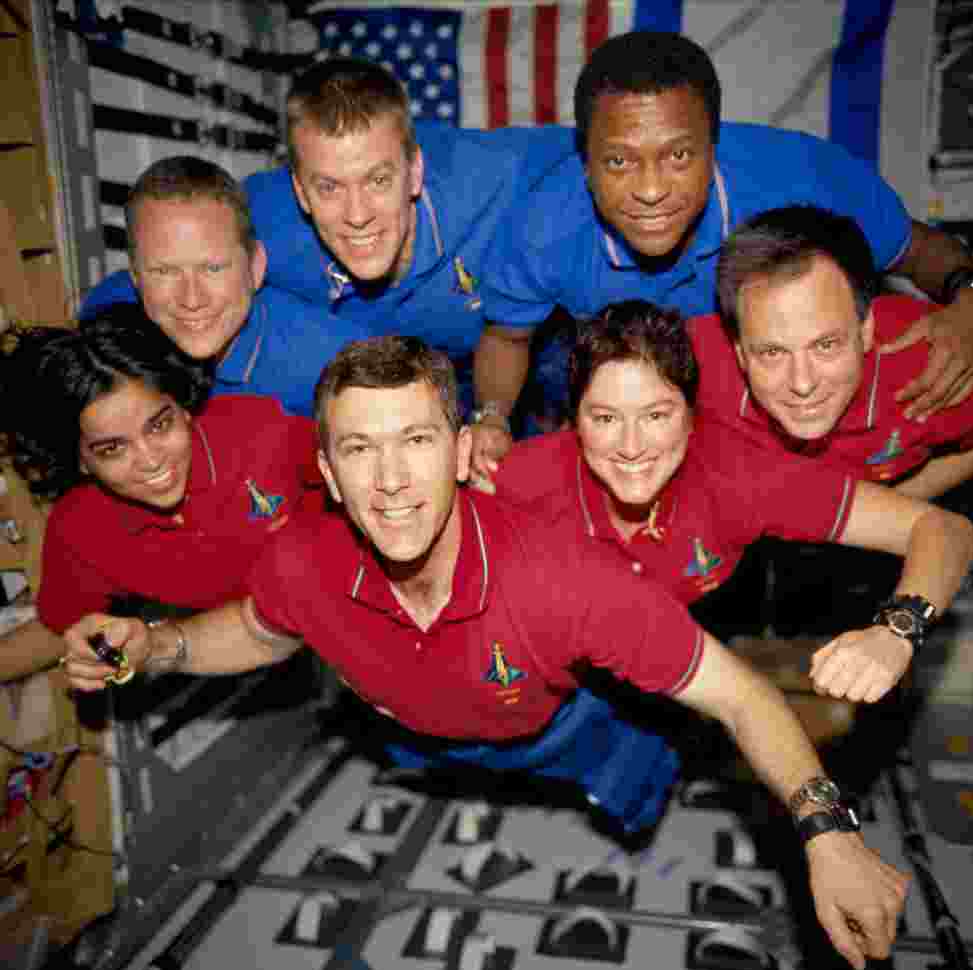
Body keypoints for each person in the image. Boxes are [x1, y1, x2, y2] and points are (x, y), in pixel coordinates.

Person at [61, 335, 908, 970]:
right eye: (360, 449)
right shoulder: (298, 561)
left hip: (574, 724)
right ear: (326, 467)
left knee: (634, 799)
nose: (390, 479)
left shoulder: (570, 580)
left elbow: (740, 696)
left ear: (465, 454)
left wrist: (827, 835)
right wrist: (163, 645)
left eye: (418, 441)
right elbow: (254, 628)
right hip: (417, 733)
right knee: (431, 753)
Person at [469, 30, 973, 483]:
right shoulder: (542, 228)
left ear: (714, 144)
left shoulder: (807, 179)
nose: (651, 190)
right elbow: (507, 336)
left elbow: (920, 251)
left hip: (797, 420)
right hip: (661, 423)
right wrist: (492, 416)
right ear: (585, 163)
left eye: (679, 155)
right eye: (619, 162)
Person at [483, 301, 973, 702]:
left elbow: (942, 530)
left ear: (692, 416)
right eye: (606, 418)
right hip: (557, 681)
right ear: (575, 422)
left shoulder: (738, 475)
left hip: (683, 662)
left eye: (656, 415)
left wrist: (897, 631)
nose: (631, 447)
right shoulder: (523, 480)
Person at [243, 56, 575, 418]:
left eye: (379, 180)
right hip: (386, 387)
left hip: (523, 361)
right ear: (300, 192)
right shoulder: (257, 218)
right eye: (329, 187)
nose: (358, 215)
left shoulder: (495, 174)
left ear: (415, 172)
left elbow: (611, 146)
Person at [0, 306, 317, 685]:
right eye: (112, 449)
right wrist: (106, 652)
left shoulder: (259, 433)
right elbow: (63, 628)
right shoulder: (81, 531)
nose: (151, 460)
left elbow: (360, 467)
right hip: (260, 639)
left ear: (183, 407)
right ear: (79, 461)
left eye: (159, 425)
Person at [694, 204, 973, 499]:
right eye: (772, 353)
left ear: (866, 331)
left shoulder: (938, 362)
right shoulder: (689, 366)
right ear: (739, 353)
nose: (802, 384)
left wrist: (884, 511)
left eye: (826, 345)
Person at [79, 156, 375, 416]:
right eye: (164, 271)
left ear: (255, 268)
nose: (192, 299)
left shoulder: (339, 370)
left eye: (213, 268)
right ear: (136, 278)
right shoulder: (104, 323)